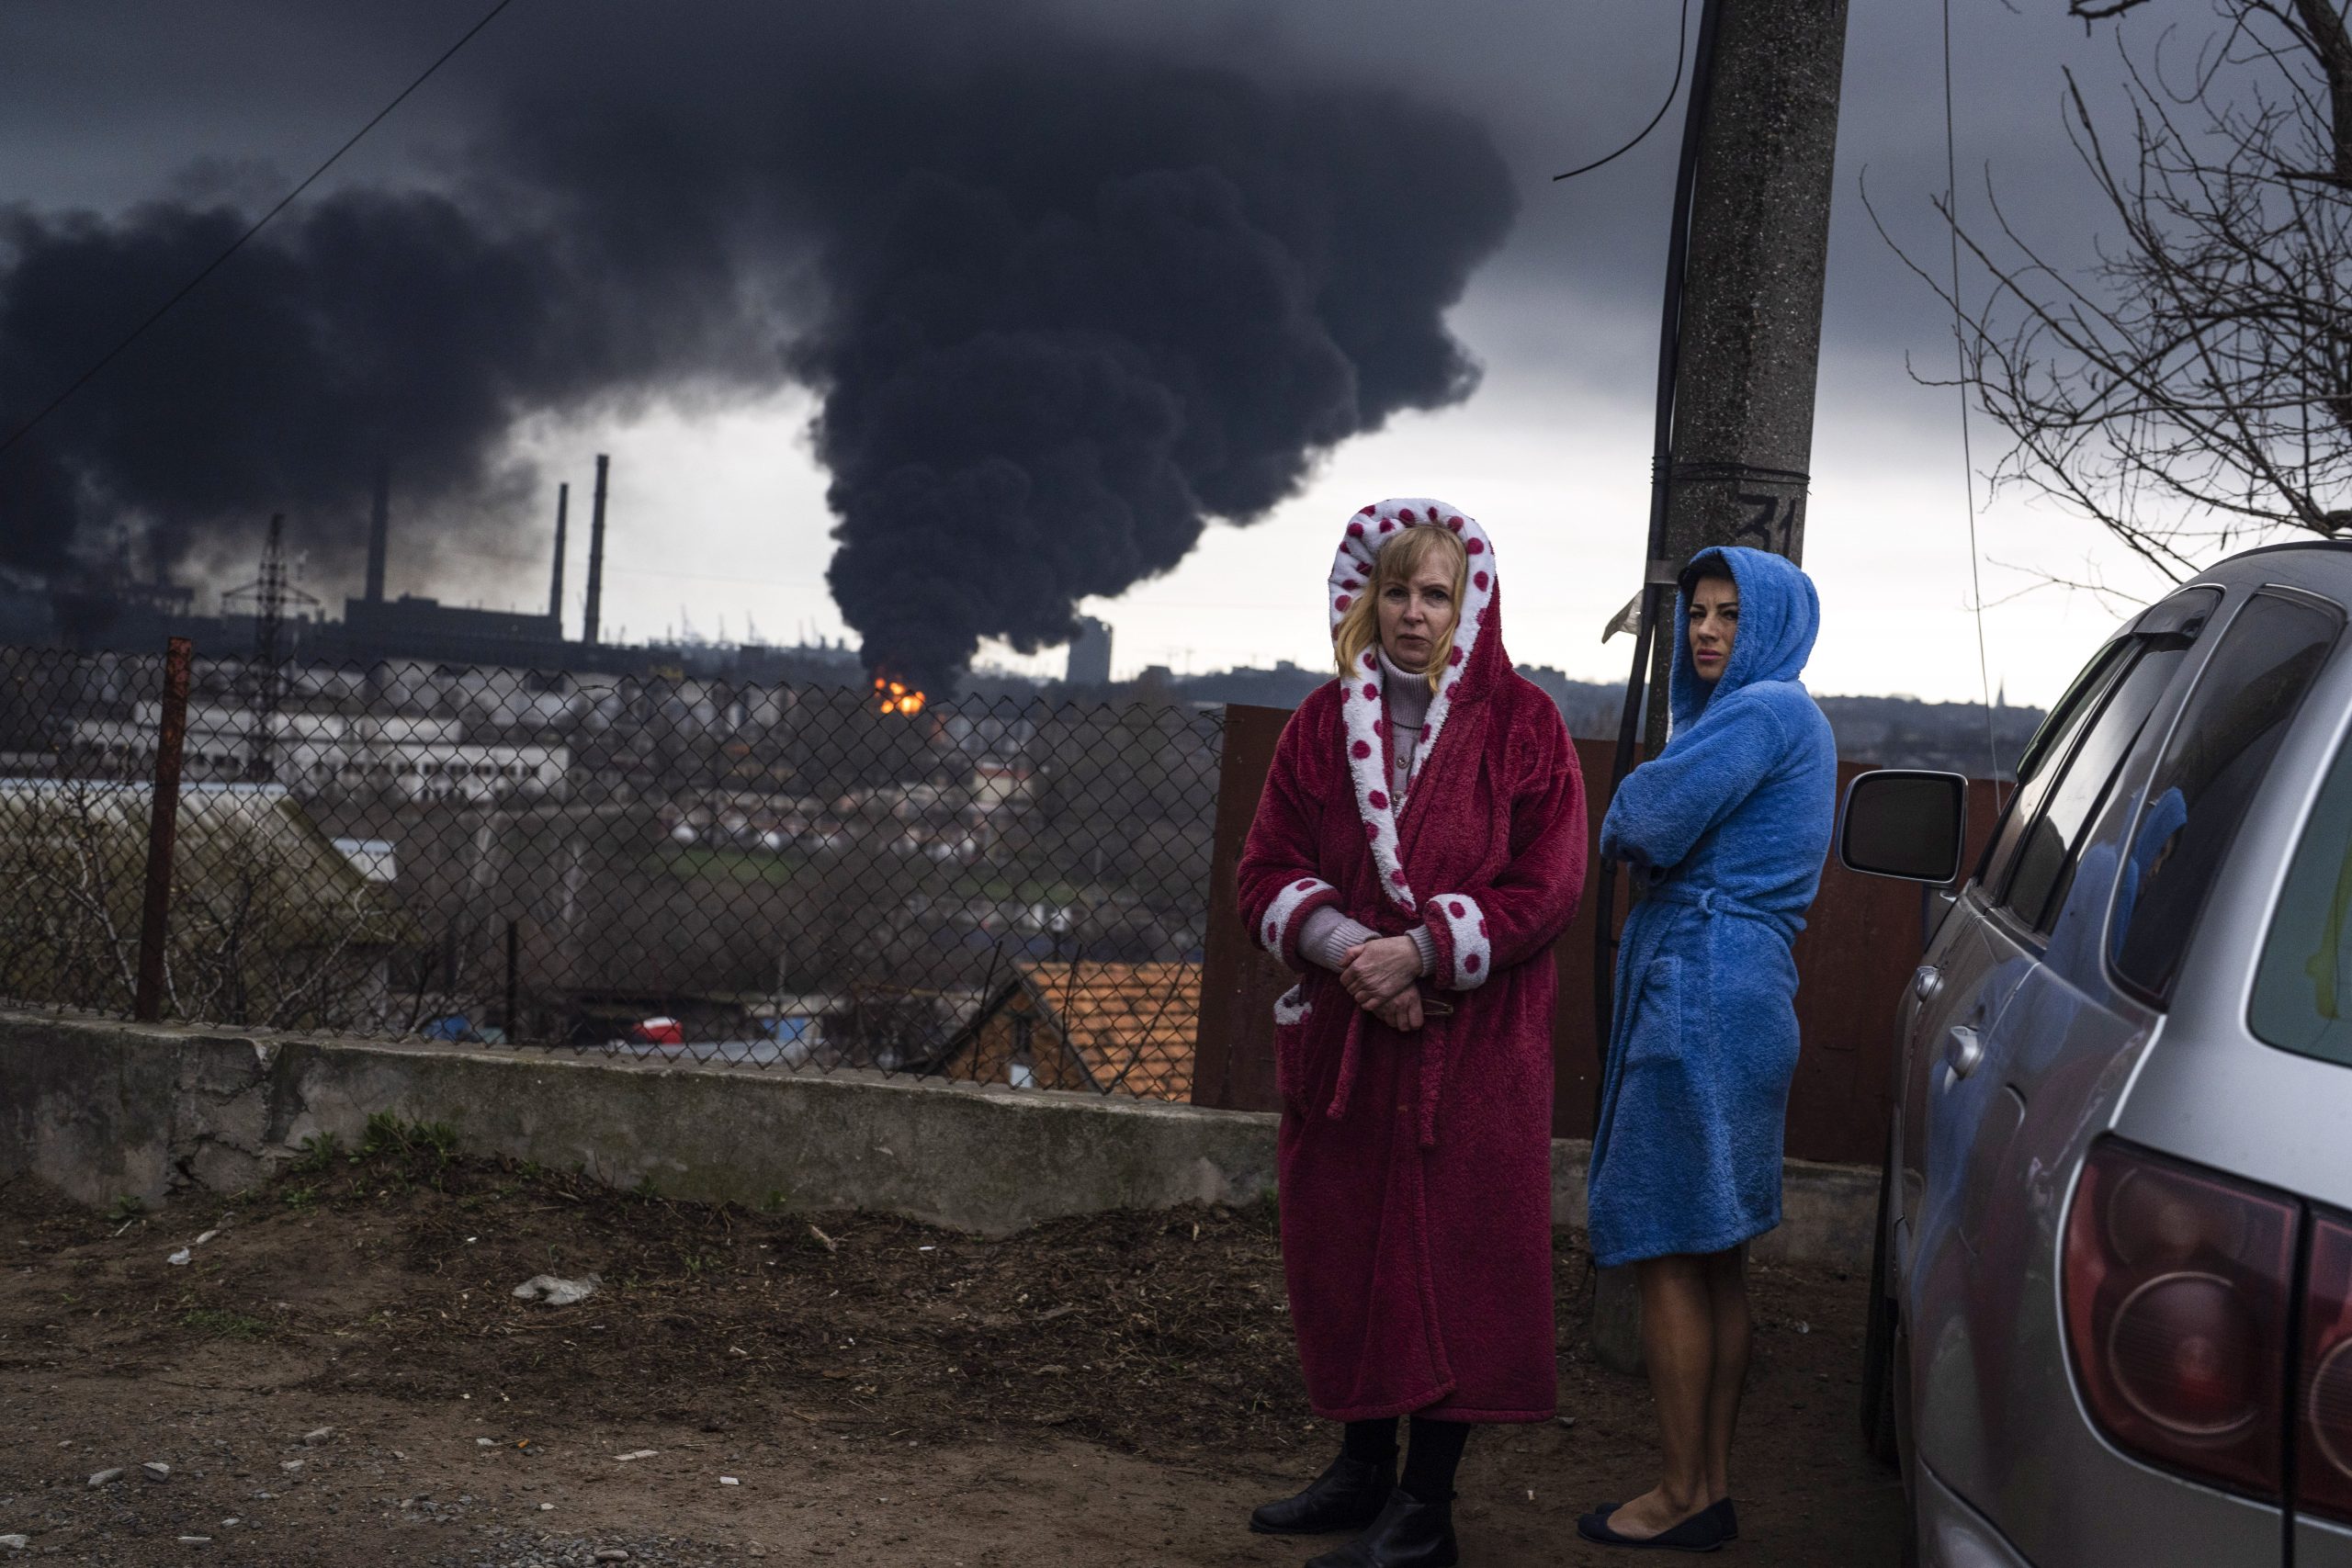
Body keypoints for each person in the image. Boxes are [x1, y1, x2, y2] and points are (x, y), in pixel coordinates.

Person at [1238, 498, 1588, 1568]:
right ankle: (1359, 1471)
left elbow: (1550, 883)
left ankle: (1425, 1509)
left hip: (1472, 1053)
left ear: (1469, 600)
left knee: (1453, 1261)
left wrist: (1427, 951)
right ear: (1362, 596)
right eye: (1396, 589)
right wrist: (1355, 950)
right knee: (1347, 1250)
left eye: (1436, 592)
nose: (1414, 612)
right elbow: (1264, 872)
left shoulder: (1525, 726)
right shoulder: (1314, 726)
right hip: (1354, 1041)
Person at [1578, 545, 1838, 1552]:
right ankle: (1708, 1487)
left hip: (1701, 986)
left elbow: (1642, 818)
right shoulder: (1789, 719)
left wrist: (1634, 798)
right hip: (1747, 988)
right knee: (1714, 1254)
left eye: (1730, 613)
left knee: (1667, 1254)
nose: (1706, 631)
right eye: (1697, 611)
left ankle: (1681, 1493)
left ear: (1771, 623)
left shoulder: (1763, 711)